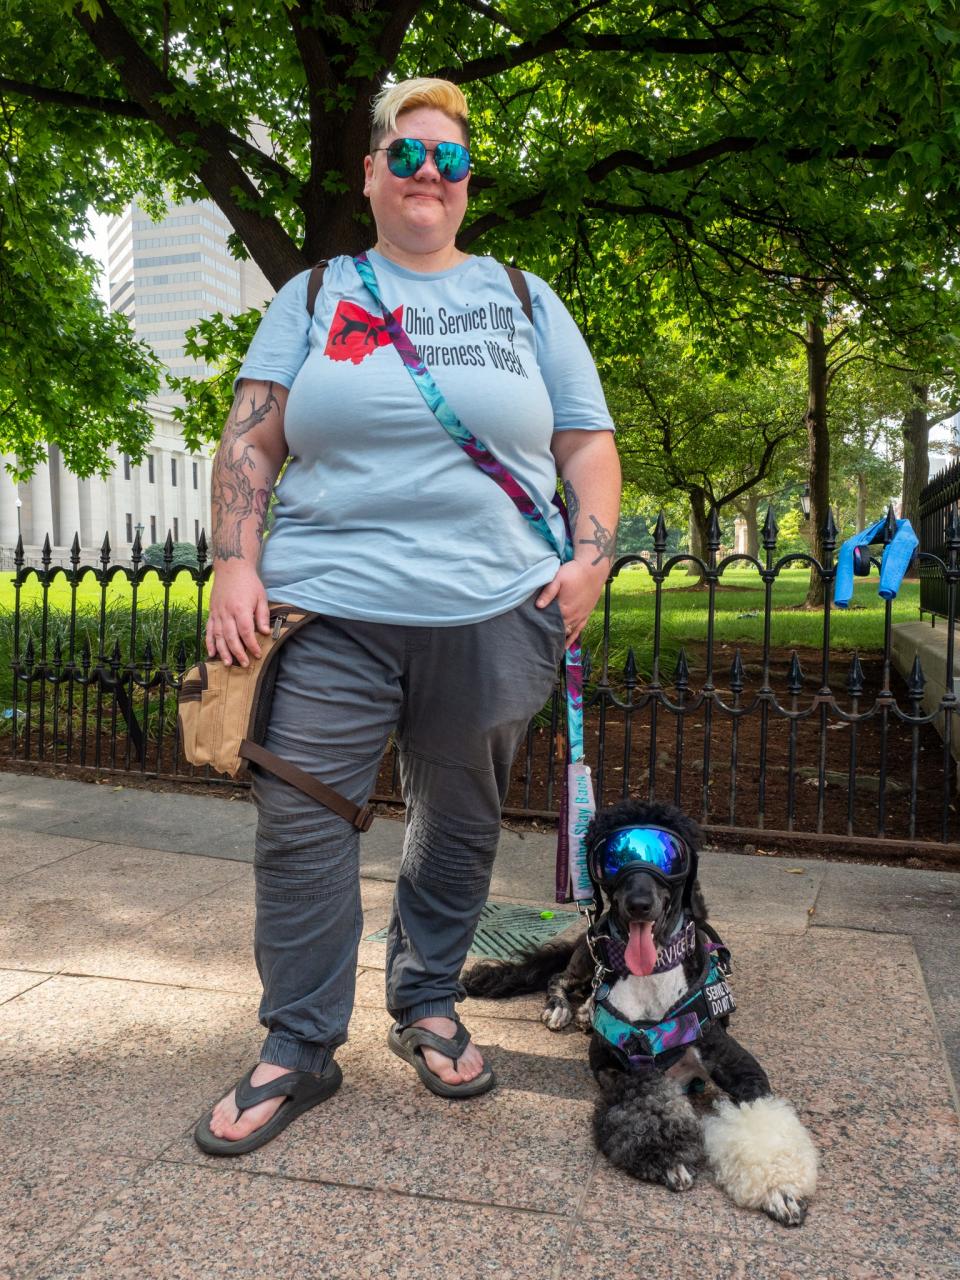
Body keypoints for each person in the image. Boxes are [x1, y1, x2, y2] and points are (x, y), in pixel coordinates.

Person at [194, 77, 621, 1156]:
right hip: (329, 606)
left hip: (492, 609)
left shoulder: (526, 298)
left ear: (467, 185)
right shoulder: (315, 291)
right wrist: (231, 565)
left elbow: (585, 444)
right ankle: (297, 1040)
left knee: (459, 823)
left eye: (451, 161)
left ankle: (426, 998)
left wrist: (592, 559)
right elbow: (250, 441)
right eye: (409, 155)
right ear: (374, 171)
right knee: (299, 815)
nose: (429, 173)